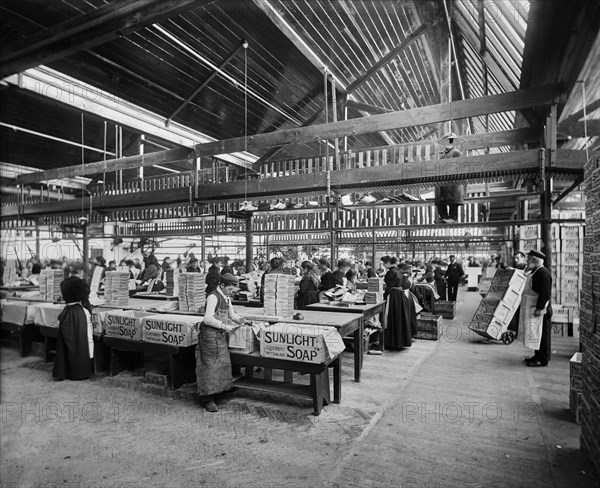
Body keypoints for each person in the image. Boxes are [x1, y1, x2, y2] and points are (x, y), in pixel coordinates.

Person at [196, 273, 245, 412]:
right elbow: (207, 319)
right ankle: (206, 399)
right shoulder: (212, 297)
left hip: (220, 336)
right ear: (222, 285)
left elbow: (232, 315)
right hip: (209, 336)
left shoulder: (226, 298)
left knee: (222, 366)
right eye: (229, 289)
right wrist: (225, 327)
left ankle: (218, 394)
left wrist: (244, 321)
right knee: (209, 367)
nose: (231, 292)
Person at [52, 264, 93, 381]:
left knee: (65, 344)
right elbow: (85, 297)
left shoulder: (64, 283)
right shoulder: (80, 283)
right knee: (79, 343)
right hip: (77, 313)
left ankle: (64, 372)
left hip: (67, 312)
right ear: (80, 271)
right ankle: (79, 372)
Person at [521, 250, 553, 367]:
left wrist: (539, 308)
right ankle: (537, 355)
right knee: (535, 333)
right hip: (534, 307)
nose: (527, 262)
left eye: (528, 260)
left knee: (542, 334)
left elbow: (545, 293)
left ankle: (542, 359)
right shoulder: (536, 271)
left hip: (541, 309)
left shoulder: (543, 273)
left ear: (534, 260)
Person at [385, 264, 418, 350]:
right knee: (405, 319)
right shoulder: (408, 277)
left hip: (401, 298)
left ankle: (398, 340)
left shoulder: (403, 278)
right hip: (407, 297)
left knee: (399, 319)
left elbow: (396, 286)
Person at [434, 133, 465, 223]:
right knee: (440, 199)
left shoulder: (456, 153)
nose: (449, 143)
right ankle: (444, 216)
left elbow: (460, 167)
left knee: (453, 199)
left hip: (453, 182)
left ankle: (452, 218)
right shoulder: (443, 154)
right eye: (447, 141)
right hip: (443, 182)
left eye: (451, 141)